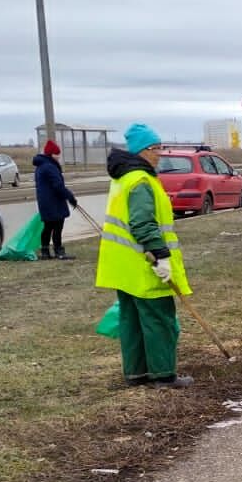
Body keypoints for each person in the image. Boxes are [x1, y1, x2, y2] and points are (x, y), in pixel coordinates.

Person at [95, 123, 194, 389]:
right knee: (158, 318)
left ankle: (136, 373)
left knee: (132, 320)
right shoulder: (140, 181)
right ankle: (163, 375)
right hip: (144, 263)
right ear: (142, 151)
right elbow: (142, 223)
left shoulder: (124, 178)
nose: (160, 153)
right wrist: (160, 256)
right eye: (156, 148)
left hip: (123, 266)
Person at [33, 139, 78, 260]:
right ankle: (59, 252)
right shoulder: (50, 167)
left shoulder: (40, 166)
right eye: (57, 154)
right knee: (57, 226)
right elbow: (58, 186)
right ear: (51, 154)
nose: (58, 157)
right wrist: (70, 197)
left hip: (45, 202)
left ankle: (45, 252)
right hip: (54, 202)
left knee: (48, 227)